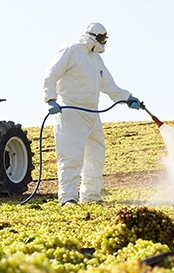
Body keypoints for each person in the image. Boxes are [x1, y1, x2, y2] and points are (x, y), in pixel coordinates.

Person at [42, 22, 140, 207]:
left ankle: (91, 197)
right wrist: (50, 99)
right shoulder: (70, 51)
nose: (104, 42)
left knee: (96, 157)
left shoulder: (96, 60)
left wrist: (128, 98)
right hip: (70, 112)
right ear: (94, 36)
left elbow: (109, 86)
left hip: (92, 115)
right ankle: (68, 198)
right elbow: (51, 75)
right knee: (71, 157)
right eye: (102, 38)